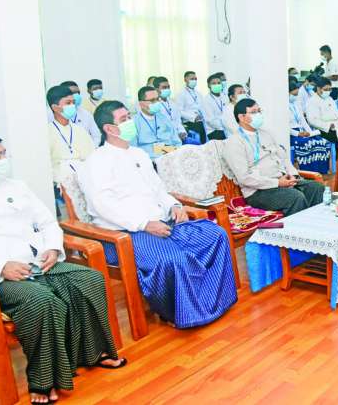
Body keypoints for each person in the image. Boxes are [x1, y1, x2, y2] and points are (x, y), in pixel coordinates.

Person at [0, 131, 126, 404]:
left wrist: (53, 249)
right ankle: (43, 380)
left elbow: (46, 222)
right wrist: (0, 267)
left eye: (4, 153)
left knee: (89, 279)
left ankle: (93, 353)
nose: (4, 160)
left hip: (37, 263)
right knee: (41, 301)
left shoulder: (16, 186)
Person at [78, 101, 237, 328]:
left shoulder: (139, 154)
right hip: (127, 234)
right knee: (174, 259)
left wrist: (175, 206)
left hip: (164, 223)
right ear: (109, 129)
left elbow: (159, 189)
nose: (131, 122)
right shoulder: (96, 162)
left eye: (129, 116)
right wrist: (144, 224)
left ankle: (213, 302)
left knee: (216, 235)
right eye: (124, 119)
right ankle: (183, 314)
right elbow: (102, 205)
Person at [222, 98, 325, 215]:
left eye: (259, 111)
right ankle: (298, 226)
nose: (258, 115)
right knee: (296, 197)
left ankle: (313, 222)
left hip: (282, 181)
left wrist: (293, 175)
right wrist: (277, 183)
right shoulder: (234, 142)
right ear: (241, 117)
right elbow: (244, 178)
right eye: (254, 112)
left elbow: (283, 158)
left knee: (316, 188)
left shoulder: (265, 133)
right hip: (258, 191)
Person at [47, 85, 95, 184]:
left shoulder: (80, 130)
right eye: (68, 103)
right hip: (59, 183)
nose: (73, 106)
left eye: (73, 102)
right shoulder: (47, 132)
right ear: (55, 108)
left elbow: (91, 158)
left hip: (84, 180)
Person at [288, 81, 333, 173]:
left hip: (303, 131)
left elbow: (303, 121)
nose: (295, 96)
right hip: (293, 134)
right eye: (294, 94)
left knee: (321, 141)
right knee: (308, 144)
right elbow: (285, 127)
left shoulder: (295, 104)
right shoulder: (281, 107)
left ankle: (319, 170)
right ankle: (308, 172)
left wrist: (310, 133)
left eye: (297, 94)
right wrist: (298, 133)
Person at [133, 86, 182, 158]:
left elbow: (176, 141)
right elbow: (134, 150)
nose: (156, 103)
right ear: (141, 104)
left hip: (170, 156)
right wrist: (160, 152)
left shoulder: (163, 118)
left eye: (157, 99)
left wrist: (174, 152)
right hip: (149, 160)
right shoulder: (134, 123)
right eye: (152, 100)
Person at [51, 81, 101, 145]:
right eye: (72, 93)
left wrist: (91, 148)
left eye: (78, 92)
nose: (77, 95)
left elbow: (96, 136)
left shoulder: (86, 114)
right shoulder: (50, 115)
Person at [306, 76, 338, 144]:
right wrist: (329, 125)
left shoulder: (329, 99)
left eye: (330, 89)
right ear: (318, 88)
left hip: (336, 127)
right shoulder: (312, 101)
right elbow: (312, 120)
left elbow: (337, 113)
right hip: (323, 130)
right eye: (326, 89)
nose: (328, 91)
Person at [176, 70, 207, 144]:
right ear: (185, 80)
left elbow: (202, 108)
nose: (194, 81)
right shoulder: (181, 94)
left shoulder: (198, 93)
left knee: (203, 144)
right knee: (195, 145)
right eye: (192, 79)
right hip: (190, 123)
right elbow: (179, 111)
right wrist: (193, 117)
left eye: (195, 79)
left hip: (201, 122)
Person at [153, 76, 187, 142]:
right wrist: (174, 136)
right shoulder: (155, 106)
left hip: (178, 137)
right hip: (165, 140)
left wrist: (182, 132)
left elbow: (178, 121)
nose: (167, 89)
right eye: (164, 87)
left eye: (168, 87)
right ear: (156, 90)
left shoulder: (173, 103)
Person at [200, 73, 227, 140]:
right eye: (214, 83)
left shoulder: (225, 97)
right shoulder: (206, 100)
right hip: (214, 131)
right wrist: (226, 127)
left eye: (219, 83)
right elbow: (211, 121)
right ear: (209, 85)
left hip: (226, 127)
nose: (217, 85)